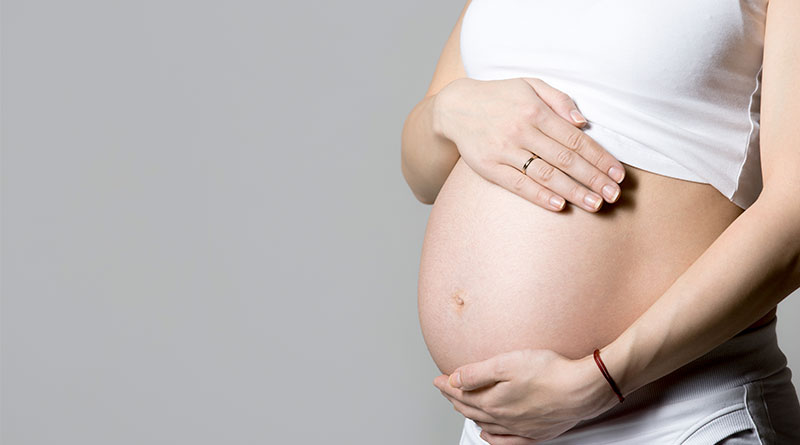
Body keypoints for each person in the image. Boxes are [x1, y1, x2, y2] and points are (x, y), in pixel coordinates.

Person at [401, 0, 800, 443]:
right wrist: (448, 110)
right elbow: (423, 176)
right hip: (500, 428)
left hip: (683, 418)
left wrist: (603, 378)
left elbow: (795, 211)